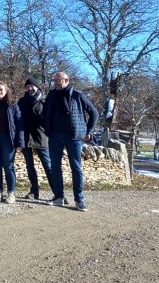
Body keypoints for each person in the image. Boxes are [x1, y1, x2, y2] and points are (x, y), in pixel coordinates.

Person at [43, 71, 99, 212]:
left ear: (66, 81)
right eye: (55, 80)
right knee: (55, 167)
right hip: (54, 136)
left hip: (73, 137)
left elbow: (94, 113)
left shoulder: (77, 95)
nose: (56, 82)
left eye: (59, 80)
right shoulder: (51, 95)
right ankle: (58, 197)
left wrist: (89, 132)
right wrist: (47, 128)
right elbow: (45, 113)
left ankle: (79, 200)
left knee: (76, 168)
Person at [17, 77, 55, 201]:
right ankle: (34, 191)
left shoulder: (45, 101)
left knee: (47, 165)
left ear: (37, 87)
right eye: (27, 87)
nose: (29, 88)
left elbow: (49, 119)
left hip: (41, 136)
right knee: (29, 165)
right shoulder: (22, 102)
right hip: (26, 137)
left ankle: (58, 193)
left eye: (32, 86)